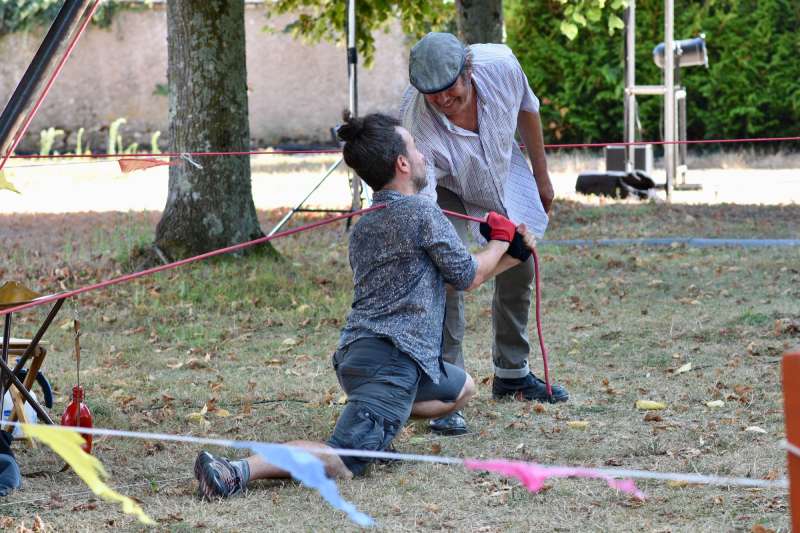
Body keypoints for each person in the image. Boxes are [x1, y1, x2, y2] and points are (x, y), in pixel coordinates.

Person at [193, 112, 537, 498]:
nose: (424, 156)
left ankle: (381, 423)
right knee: (343, 461)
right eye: (416, 149)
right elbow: (467, 277)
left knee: (462, 389)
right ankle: (235, 470)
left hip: (360, 356)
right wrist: (499, 242)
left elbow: (440, 277)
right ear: (402, 164)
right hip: (391, 360)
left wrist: (513, 255)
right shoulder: (422, 212)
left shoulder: (365, 226)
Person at [399, 32, 569, 436]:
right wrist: (458, 267)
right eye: (431, 92)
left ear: (469, 70)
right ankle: (445, 393)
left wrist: (543, 179)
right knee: (447, 279)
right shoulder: (417, 125)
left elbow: (528, 111)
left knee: (520, 260)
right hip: (445, 190)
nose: (441, 99)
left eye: (449, 88)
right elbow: (422, 204)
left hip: (500, 169)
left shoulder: (502, 67)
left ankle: (512, 374)